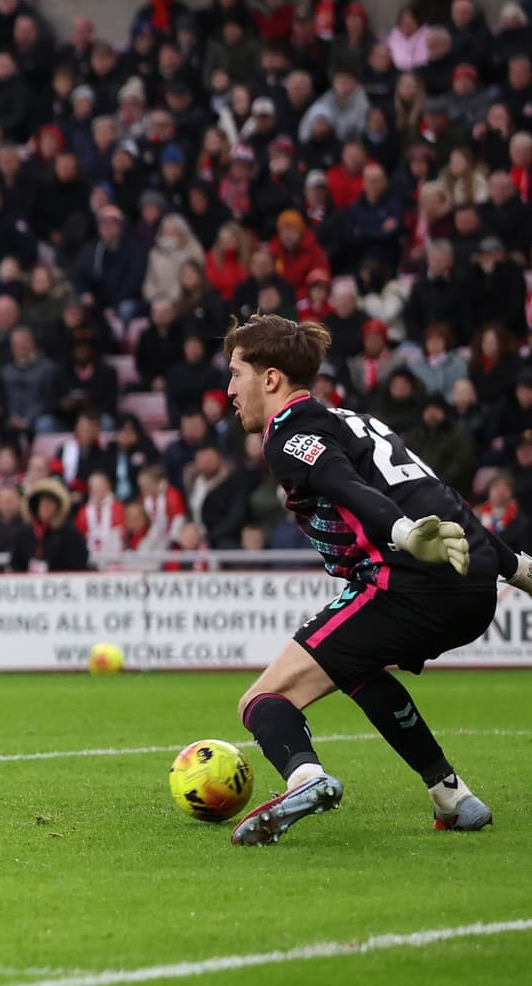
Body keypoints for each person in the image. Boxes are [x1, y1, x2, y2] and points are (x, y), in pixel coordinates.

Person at [222, 313, 532, 846]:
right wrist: (517, 568)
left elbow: (338, 483)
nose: (229, 390)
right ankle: (452, 795)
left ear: (270, 378)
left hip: (406, 580)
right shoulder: (356, 420)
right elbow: (438, 492)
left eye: (235, 374)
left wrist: (403, 532)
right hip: (473, 583)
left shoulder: (288, 432)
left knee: (261, 700)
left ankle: (306, 778)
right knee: (358, 669)